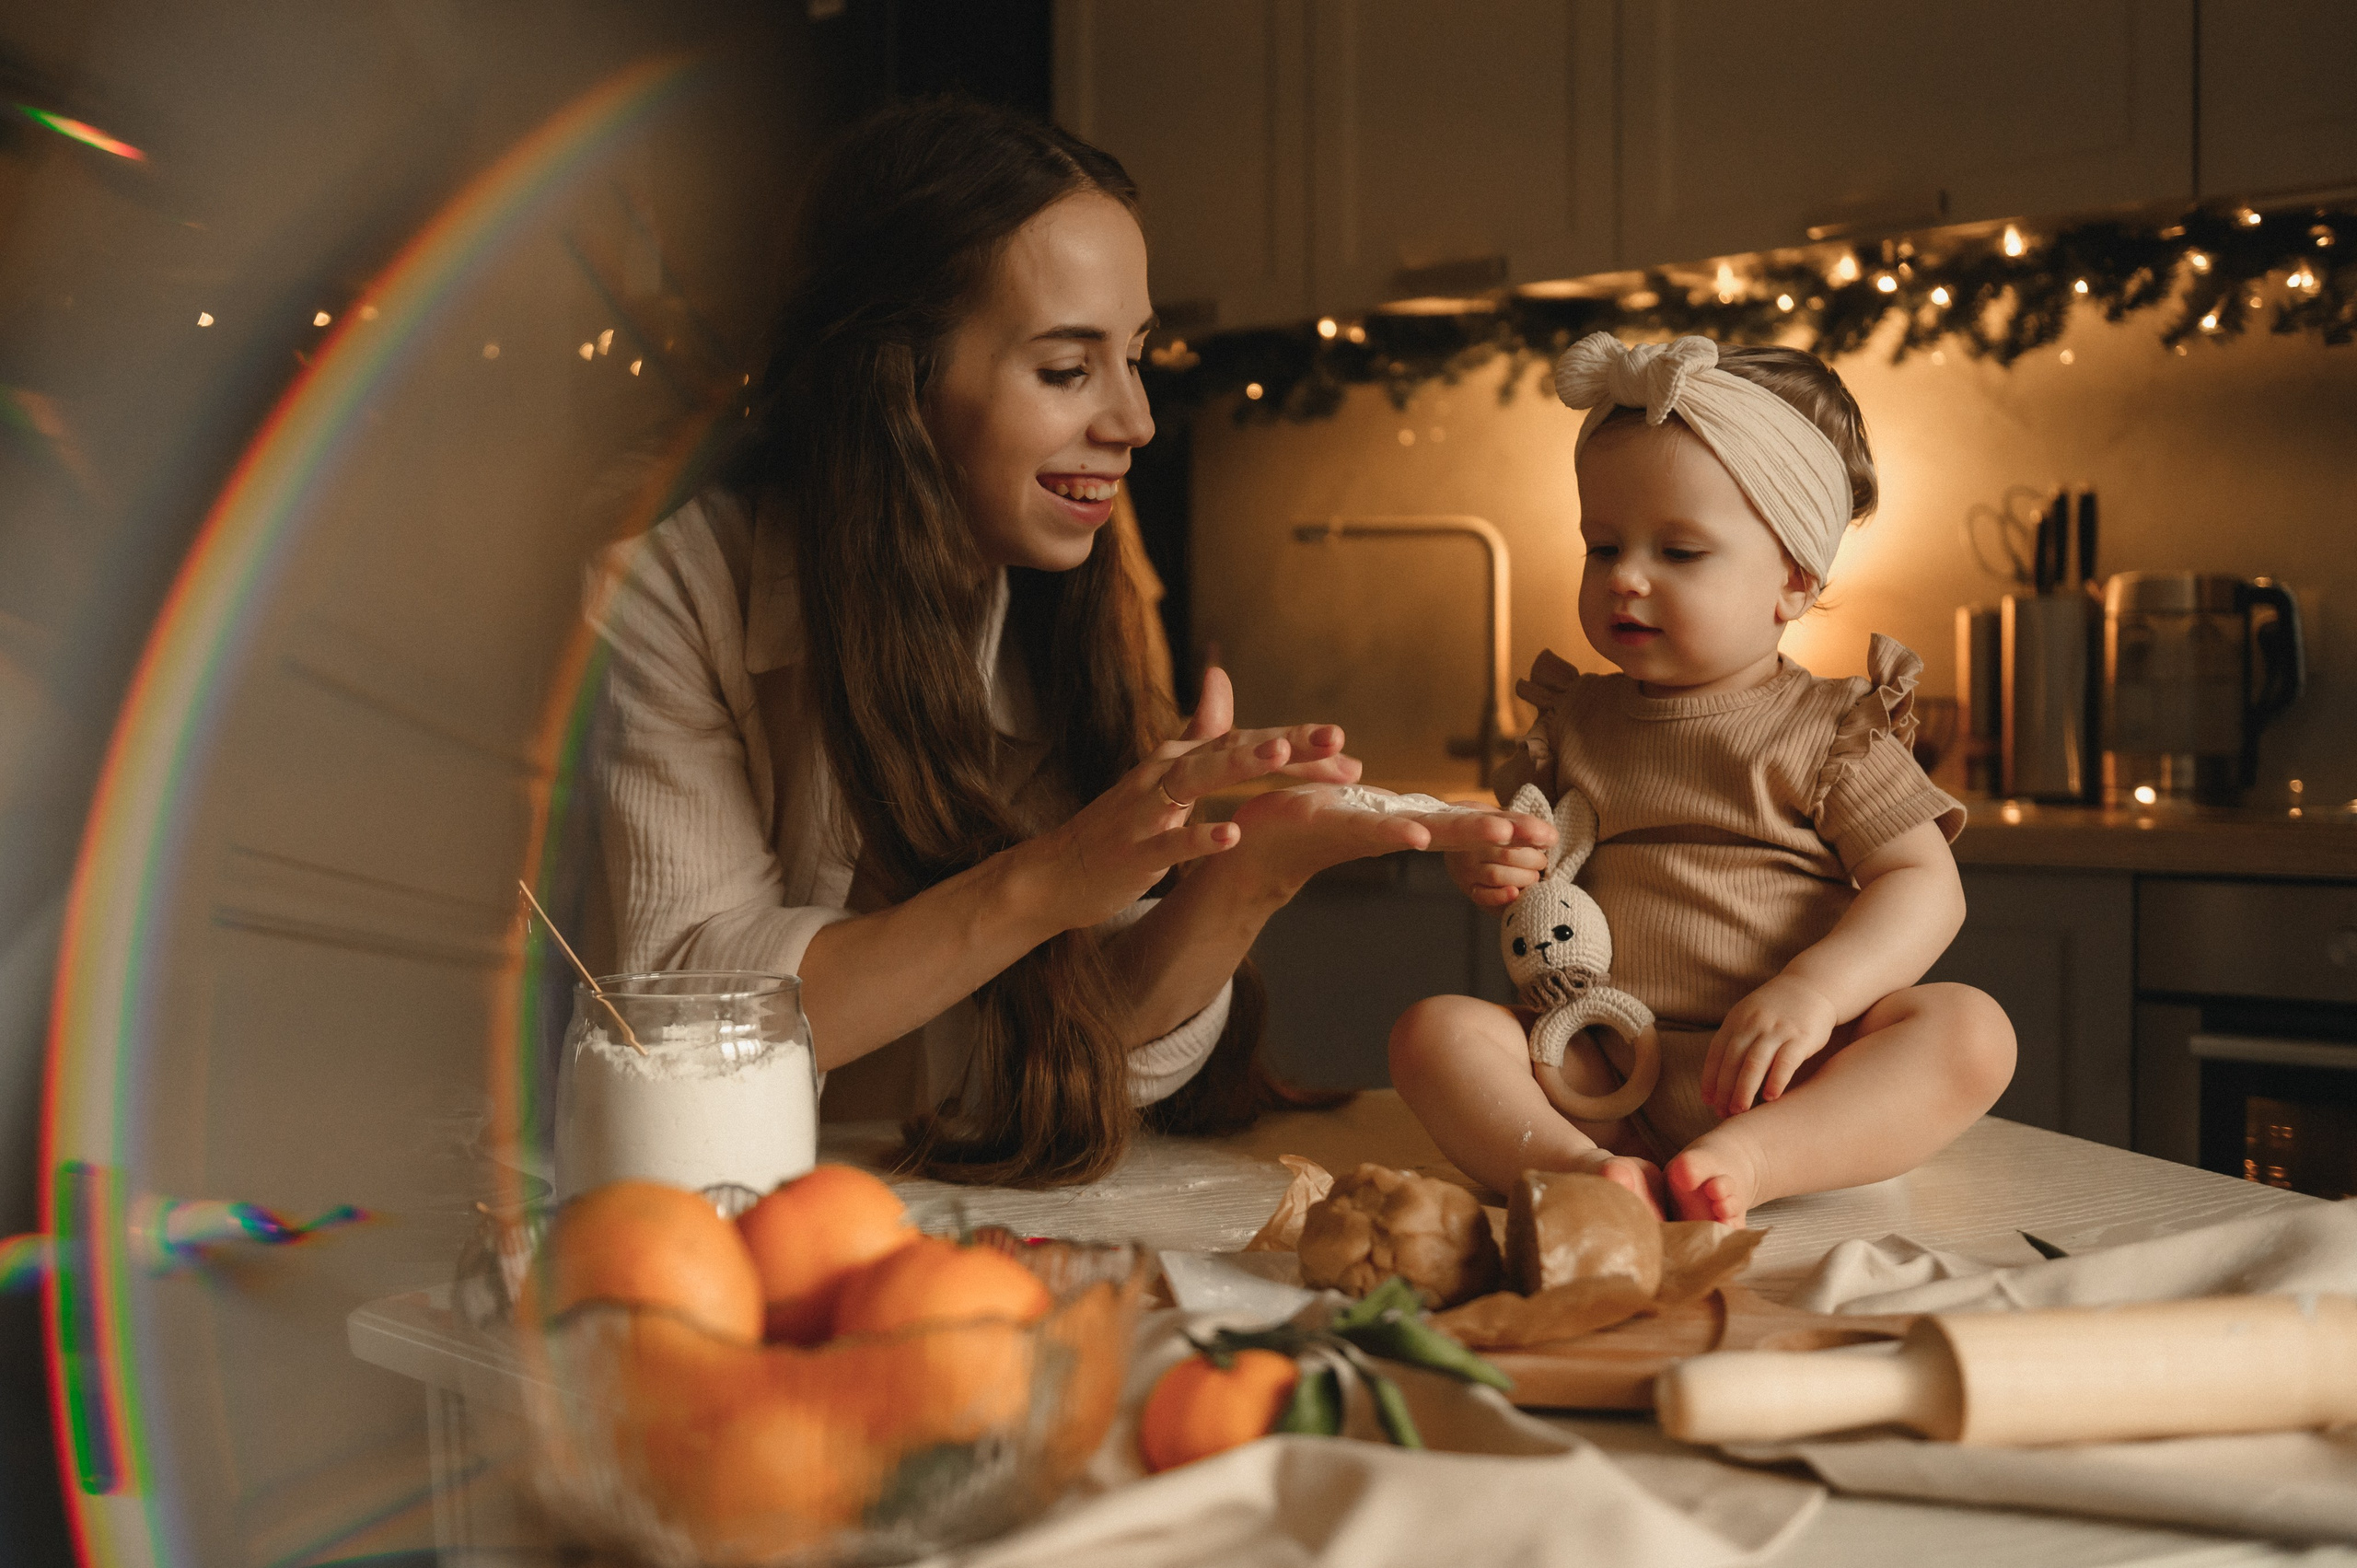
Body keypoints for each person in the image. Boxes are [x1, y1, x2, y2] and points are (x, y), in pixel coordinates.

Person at [590, 97, 1543, 1188]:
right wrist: (1052, 878)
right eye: (1064, 369)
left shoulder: (1071, 576)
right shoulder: (671, 588)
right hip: (663, 1209)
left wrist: (1248, 874)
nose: (1133, 419)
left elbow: (1100, 1044)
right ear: (894, 386)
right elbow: (688, 1021)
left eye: (1135, 355)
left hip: (924, 1195)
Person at [1388, 333, 2016, 1225]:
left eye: (1679, 553)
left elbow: (1924, 884)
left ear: (1794, 580)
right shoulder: (1573, 725)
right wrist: (1489, 867)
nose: (1626, 579)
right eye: (1602, 546)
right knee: (1433, 1032)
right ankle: (1584, 1173)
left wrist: (1814, 992)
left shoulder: (1830, 731)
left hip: (1790, 1068)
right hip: (1597, 1063)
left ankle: (1752, 1160)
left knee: (1969, 1030)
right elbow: (1532, 870)